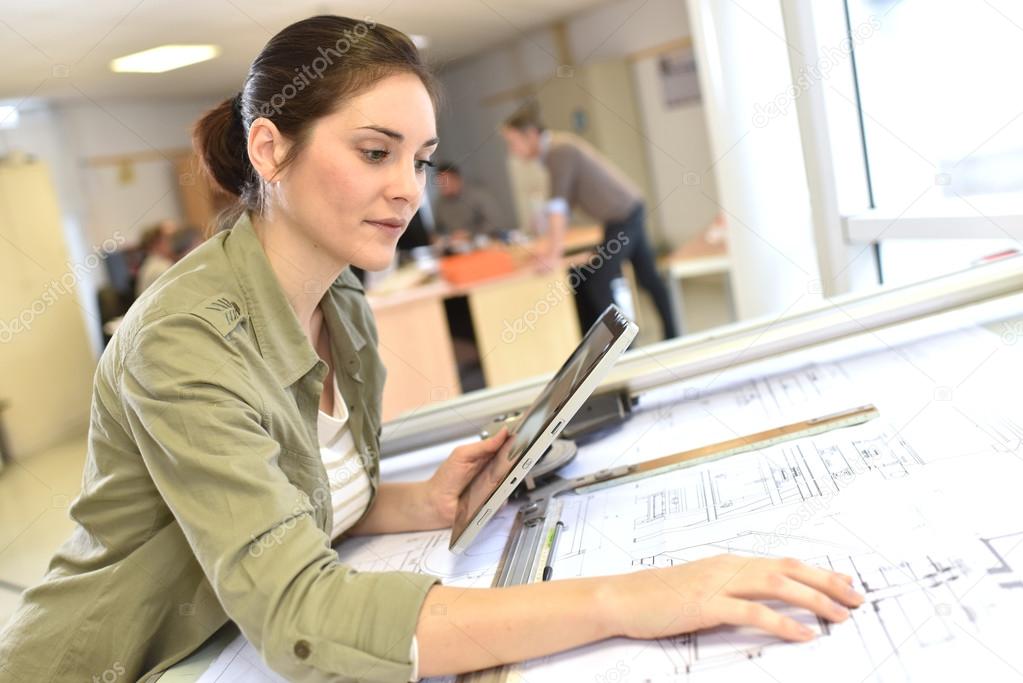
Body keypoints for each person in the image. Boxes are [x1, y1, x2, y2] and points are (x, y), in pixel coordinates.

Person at [0, 16, 862, 683]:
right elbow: (302, 616)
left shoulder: (341, 294)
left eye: (419, 159)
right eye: (375, 152)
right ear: (270, 149)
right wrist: (627, 600)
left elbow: (283, 504)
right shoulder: (183, 341)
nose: (406, 190)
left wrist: (419, 501)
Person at [502, 108, 679, 339]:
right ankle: (672, 335)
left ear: (531, 134)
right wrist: (546, 244)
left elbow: (559, 208)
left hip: (624, 216)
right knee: (647, 277)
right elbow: (562, 202)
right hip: (622, 214)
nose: (512, 150)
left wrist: (553, 254)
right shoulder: (554, 153)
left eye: (513, 142)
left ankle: (624, 347)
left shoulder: (559, 150)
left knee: (599, 280)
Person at [431, 161, 501, 246]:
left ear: (456, 179)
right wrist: (438, 237)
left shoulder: (478, 195)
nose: (441, 186)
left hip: (481, 245)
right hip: (455, 248)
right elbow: (437, 230)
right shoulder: (439, 203)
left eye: (444, 181)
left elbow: (494, 223)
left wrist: (470, 235)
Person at [134, 219, 179, 297]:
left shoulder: (152, 264)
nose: (176, 241)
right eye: (170, 238)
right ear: (155, 243)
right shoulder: (160, 269)